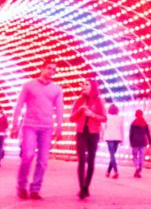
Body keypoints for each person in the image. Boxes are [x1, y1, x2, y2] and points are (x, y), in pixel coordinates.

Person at [11, 60, 64, 200]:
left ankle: (35, 189)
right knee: (28, 155)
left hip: (47, 127)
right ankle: (21, 186)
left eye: (54, 69)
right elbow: (19, 104)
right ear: (42, 68)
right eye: (49, 68)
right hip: (30, 126)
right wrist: (14, 124)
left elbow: (59, 109)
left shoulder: (57, 89)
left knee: (43, 160)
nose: (51, 71)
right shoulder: (29, 85)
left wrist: (59, 126)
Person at [71, 77, 106, 199]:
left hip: (93, 133)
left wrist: (92, 114)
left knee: (91, 161)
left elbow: (104, 118)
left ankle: (87, 186)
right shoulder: (78, 101)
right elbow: (72, 118)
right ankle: (82, 188)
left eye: (87, 84)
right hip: (81, 132)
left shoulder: (99, 101)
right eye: (83, 84)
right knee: (81, 159)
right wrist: (79, 111)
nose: (84, 86)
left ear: (92, 87)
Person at [104, 102, 124, 179]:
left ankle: (116, 171)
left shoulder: (107, 117)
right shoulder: (120, 117)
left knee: (112, 155)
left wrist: (102, 136)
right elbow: (122, 128)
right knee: (113, 155)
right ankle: (108, 172)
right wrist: (122, 139)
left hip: (109, 137)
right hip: (117, 137)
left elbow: (104, 127)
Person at [130, 110, 151, 177]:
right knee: (141, 156)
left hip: (135, 141)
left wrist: (131, 142)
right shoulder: (144, 123)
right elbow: (148, 133)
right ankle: (140, 168)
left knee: (135, 156)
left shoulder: (133, 123)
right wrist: (150, 141)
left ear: (135, 115)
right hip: (143, 141)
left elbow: (131, 134)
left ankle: (136, 167)